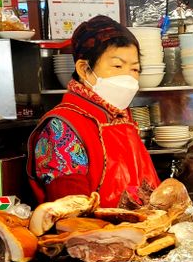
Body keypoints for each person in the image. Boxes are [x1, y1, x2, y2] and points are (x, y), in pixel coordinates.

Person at [27, 15, 159, 206]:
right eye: (117, 66)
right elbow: (71, 215)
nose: (128, 77)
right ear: (83, 69)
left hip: (137, 231)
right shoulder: (62, 127)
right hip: (95, 234)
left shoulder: (121, 117)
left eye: (135, 69)